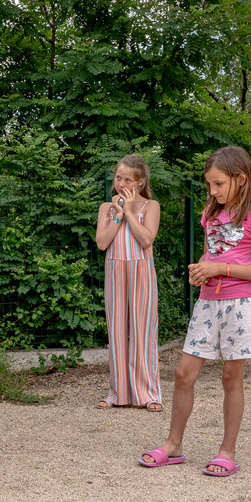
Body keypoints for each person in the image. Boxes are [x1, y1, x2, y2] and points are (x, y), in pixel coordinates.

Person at [139, 146, 251, 477]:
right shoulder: (211, 214)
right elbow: (211, 255)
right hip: (208, 303)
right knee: (184, 373)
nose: (212, 192)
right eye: (209, 185)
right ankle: (173, 446)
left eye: (218, 184)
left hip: (242, 306)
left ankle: (227, 452)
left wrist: (220, 268)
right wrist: (202, 268)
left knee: (232, 378)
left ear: (240, 179)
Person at [93, 154, 162, 411]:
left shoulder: (151, 206)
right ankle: (118, 393)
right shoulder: (106, 208)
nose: (121, 183)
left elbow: (146, 240)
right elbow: (102, 243)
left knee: (143, 331)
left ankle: (148, 394)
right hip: (115, 272)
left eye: (128, 179)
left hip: (141, 272)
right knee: (118, 331)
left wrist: (131, 211)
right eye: (118, 177)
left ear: (141, 182)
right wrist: (119, 214)